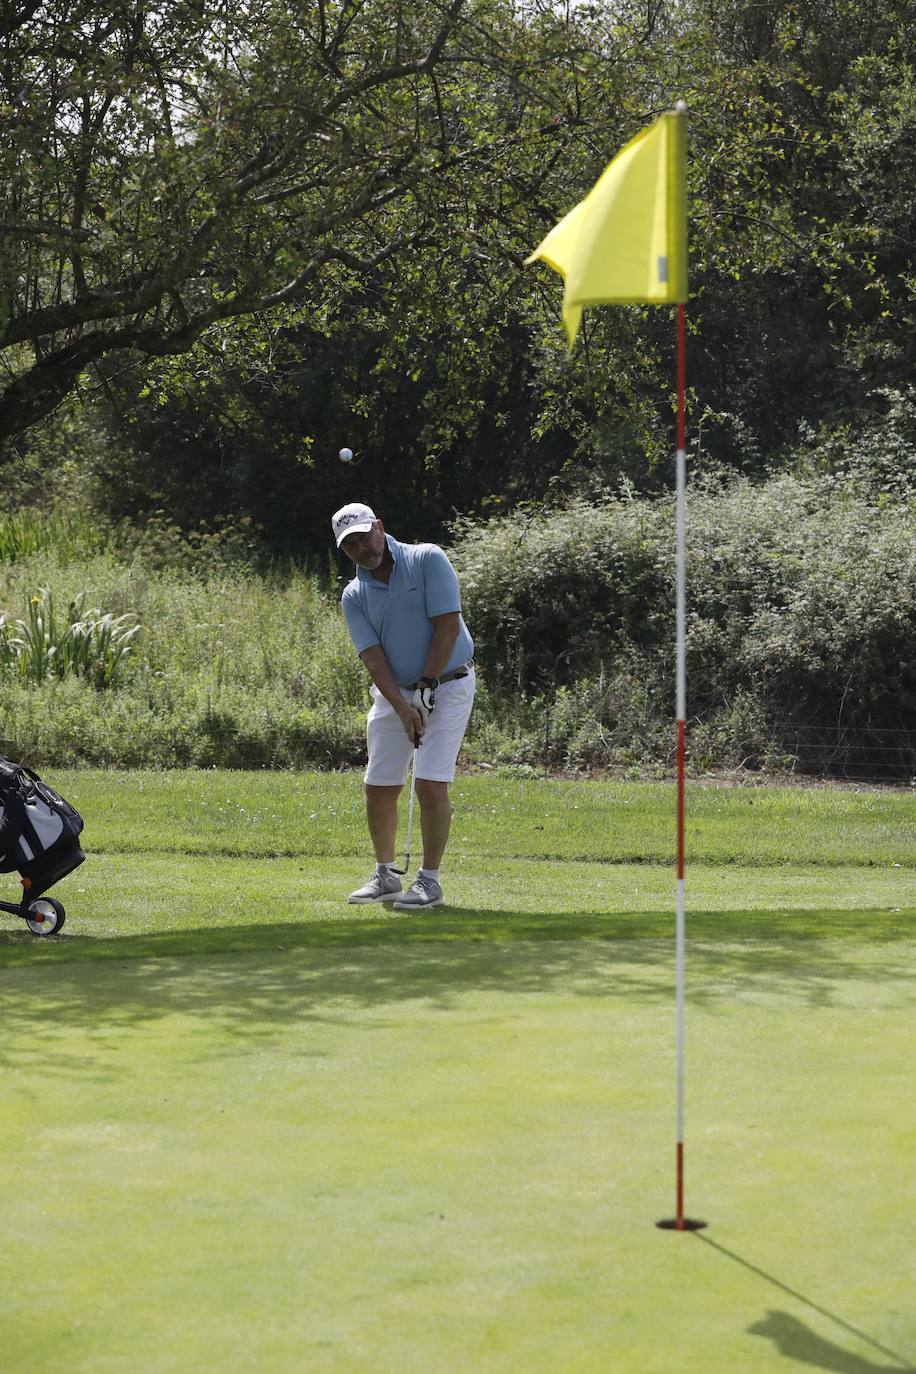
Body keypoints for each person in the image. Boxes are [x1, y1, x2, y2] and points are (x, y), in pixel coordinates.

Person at [331, 502, 475, 910]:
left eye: (364, 536)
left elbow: (447, 625)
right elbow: (372, 656)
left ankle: (429, 880)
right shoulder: (354, 594)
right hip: (395, 691)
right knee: (378, 785)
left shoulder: (426, 558)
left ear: (380, 526)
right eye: (350, 545)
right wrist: (402, 705)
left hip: (448, 682)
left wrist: (426, 687)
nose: (361, 548)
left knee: (429, 782)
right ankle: (386, 875)